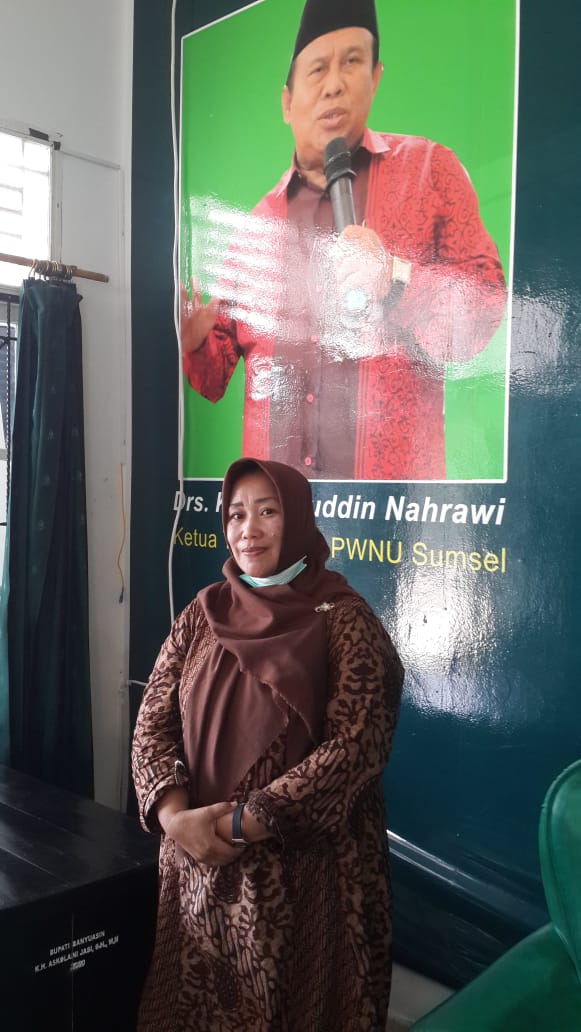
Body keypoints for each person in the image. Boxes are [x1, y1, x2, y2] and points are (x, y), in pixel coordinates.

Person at [180, 0, 507, 481]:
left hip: (392, 511)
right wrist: (193, 344)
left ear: (374, 77)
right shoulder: (255, 227)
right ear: (287, 102)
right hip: (281, 513)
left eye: (351, 61)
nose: (333, 84)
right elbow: (213, 380)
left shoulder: (428, 171)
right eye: (317, 69)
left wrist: (395, 277)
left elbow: (483, 316)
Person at [132, 457, 404, 1031]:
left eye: (268, 511)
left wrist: (237, 825)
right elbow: (152, 721)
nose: (248, 529)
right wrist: (176, 819)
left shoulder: (345, 622)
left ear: (297, 518)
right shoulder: (203, 612)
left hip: (308, 887)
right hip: (196, 872)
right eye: (236, 515)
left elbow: (354, 749)